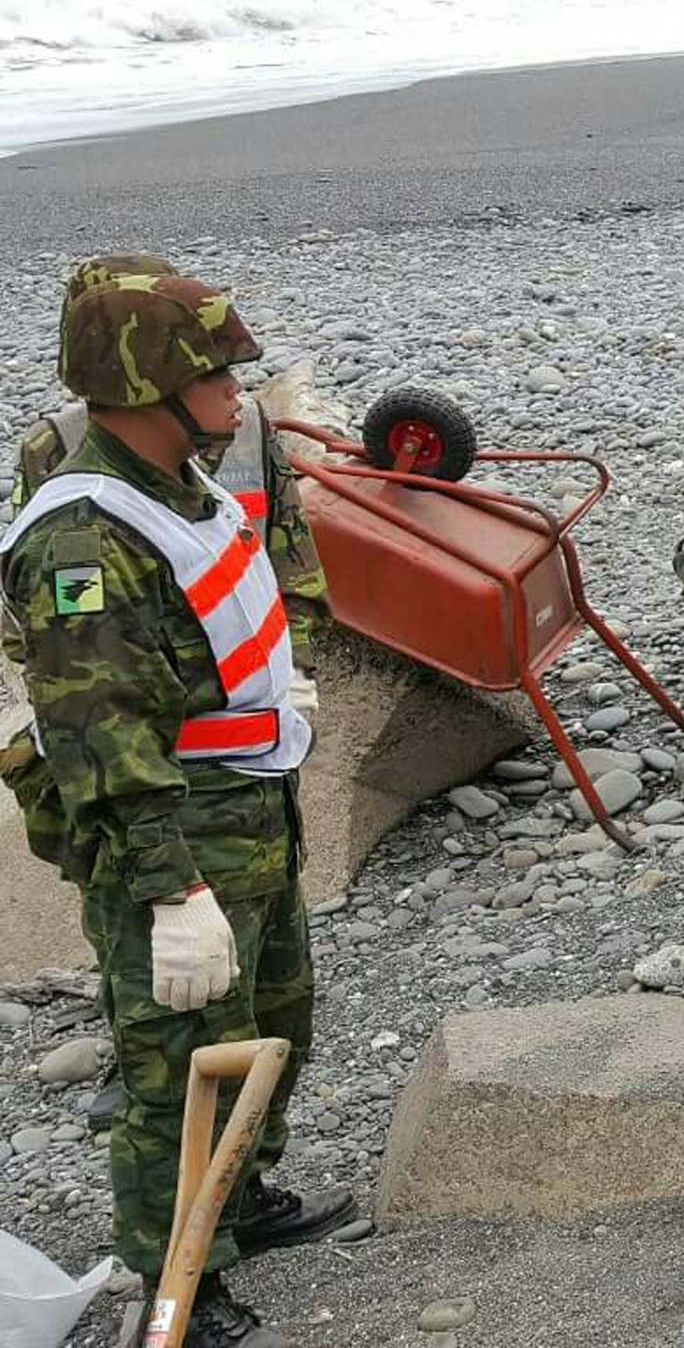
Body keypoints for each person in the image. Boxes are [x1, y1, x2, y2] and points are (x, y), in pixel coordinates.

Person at [1, 273, 353, 1348]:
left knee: (271, 1019)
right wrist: (169, 889)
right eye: (216, 370)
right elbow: (98, 738)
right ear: (151, 382)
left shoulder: (186, 486)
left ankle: (238, 1203)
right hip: (176, 834)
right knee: (179, 1064)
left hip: (249, 805)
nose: (239, 388)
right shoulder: (82, 537)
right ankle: (177, 1283)